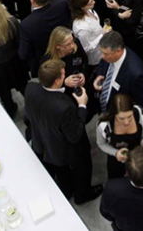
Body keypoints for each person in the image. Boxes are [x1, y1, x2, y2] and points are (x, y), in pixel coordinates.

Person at [24, 59, 102, 203]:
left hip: (44, 140)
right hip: (66, 148)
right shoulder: (65, 107)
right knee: (83, 165)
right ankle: (82, 194)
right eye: (63, 74)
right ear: (57, 81)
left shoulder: (30, 88)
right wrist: (82, 105)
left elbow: (27, 116)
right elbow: (75, 135)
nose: (65, 75)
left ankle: (67, 189)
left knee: (62, 170)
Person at [96, 93, 143, 179]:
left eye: (129, 116)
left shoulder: (141, 114)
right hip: (117, 161)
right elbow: (101, 144)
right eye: (121, 118)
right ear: (114, 114)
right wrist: (115, 153)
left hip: (138, 159)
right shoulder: (104, 126)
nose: (126, 122)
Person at [93, 31, 143, 113]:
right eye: (102, 52)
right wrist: (99, 75)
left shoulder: (136, 74)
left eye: (106, 54)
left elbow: (141, 106)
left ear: (118, 51)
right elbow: (102, 65)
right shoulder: (109, 55)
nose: (102, 56)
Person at [69, 0, 105, 66]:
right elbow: (86, 49)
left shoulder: (89, 10)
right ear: (82, 7)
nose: (94, 2)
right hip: (96, 58)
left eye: (92, 0)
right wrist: (102, 35)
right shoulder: (82, 28)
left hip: (102, 48)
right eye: (90, 2)